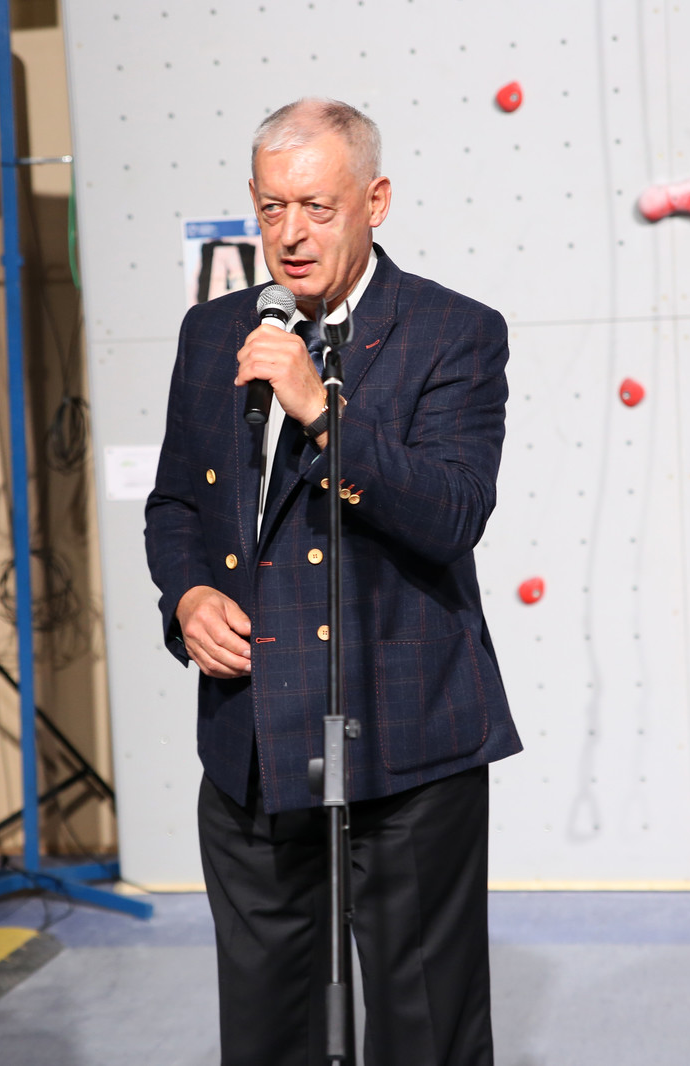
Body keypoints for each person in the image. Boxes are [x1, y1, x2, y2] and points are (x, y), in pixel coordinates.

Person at [145, 98, 523, 1066]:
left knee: (423, 1026)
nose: (291, 234)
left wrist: (323, 414)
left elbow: (452, 512)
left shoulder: (453, 331)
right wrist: (186, 598)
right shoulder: (213, 332)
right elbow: (176, 505)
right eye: (272, 207)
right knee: (265, 1028)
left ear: (375, 201)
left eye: (317, 207)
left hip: (405, 744)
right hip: (250, 744)